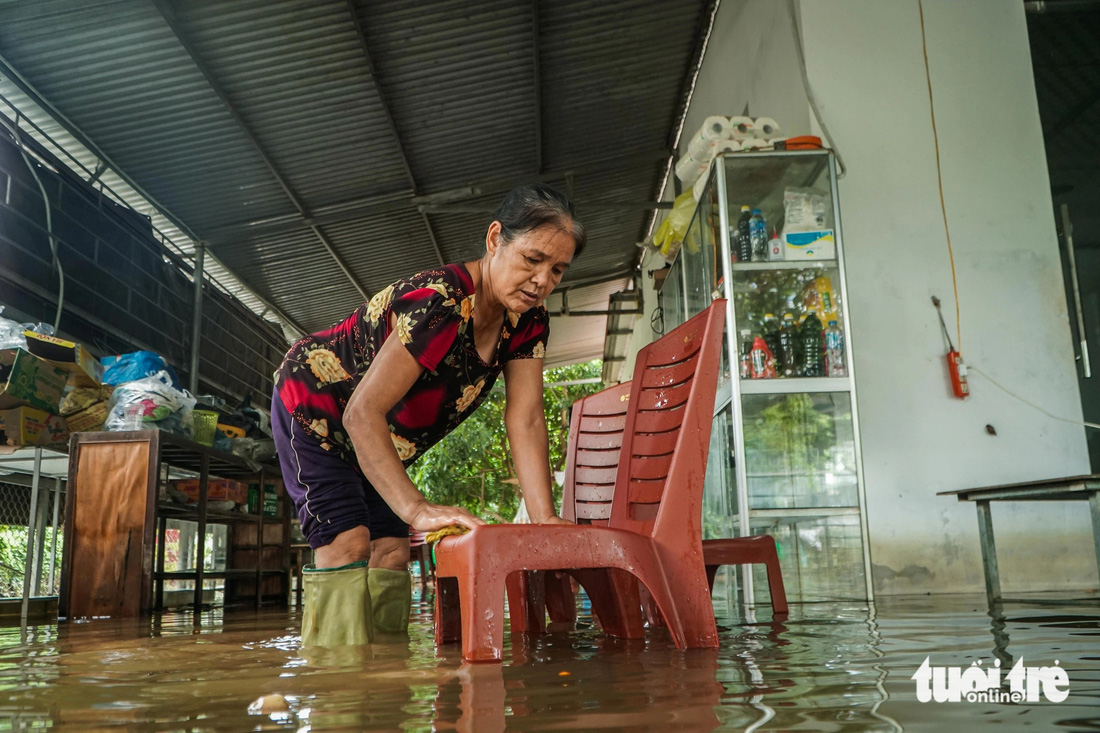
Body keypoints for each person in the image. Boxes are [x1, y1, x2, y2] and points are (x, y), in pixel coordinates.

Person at [271, 183, 585, 645]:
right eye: (532, 259)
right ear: (495, 238)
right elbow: (360, 414)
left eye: (557, 270)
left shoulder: (529, 321)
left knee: (393, 552)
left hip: (379, 440)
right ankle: (333, 686)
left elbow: (527, 418)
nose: (542, 281)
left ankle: (384, 689)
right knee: (349, 542)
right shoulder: (441, 302)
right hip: (318, 408)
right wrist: (417, 508)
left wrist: (544, 518)